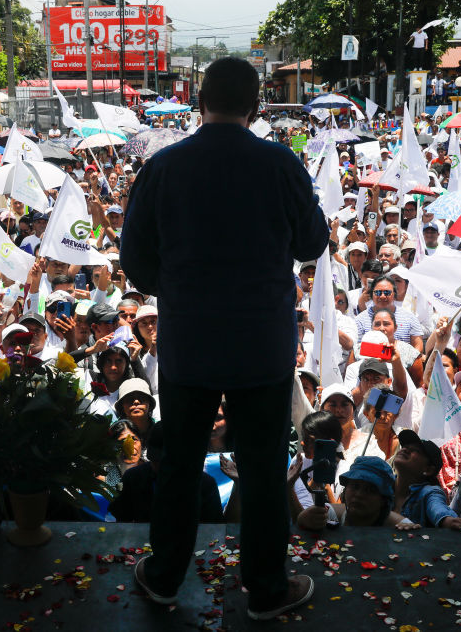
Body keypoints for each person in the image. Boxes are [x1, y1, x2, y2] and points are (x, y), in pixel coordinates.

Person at [122, 57, 328, 619]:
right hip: (261, 347)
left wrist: (184, 288)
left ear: (198, 103)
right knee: (263, 469)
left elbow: (135, 264)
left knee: (180, 464)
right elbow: (312, 243)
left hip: (188, 346)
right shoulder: (280, 163)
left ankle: (163, 576)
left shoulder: (163, 167)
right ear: (256, 106)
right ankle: (266, 589)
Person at [391, 430, 461, 530]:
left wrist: (447, 520)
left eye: (415, 450)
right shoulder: (382, 483)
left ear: (428, 469)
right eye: (404, 447)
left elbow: (437, 508)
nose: (405, 450)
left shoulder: (429, 493)